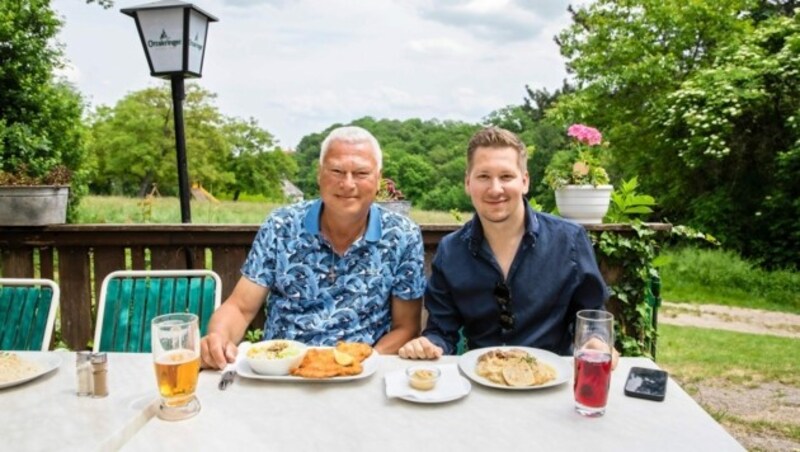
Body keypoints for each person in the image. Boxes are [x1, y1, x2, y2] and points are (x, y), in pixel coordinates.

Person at [202, 126, 425, 369]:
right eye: (337, 171)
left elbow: (407, 327)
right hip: (283, 369)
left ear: (378, 179)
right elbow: (240, 308)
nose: (348, 183)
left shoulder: (403, 235)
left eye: (361, 173)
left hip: (360, 371)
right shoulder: (281, 225)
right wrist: (218, 339)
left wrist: (363, 362)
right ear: (320, 174)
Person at [399, 126, 617, 366]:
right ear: (467, 183)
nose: (495, 189)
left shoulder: (570, 240)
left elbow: (592, 316)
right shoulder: (450, 251)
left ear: (524, 181)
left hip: (552, 380)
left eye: (506, 176)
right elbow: (441, 331)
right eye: (483, 176)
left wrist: (596, 340)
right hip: (481, 381)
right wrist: (429, 344)